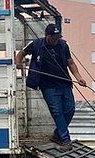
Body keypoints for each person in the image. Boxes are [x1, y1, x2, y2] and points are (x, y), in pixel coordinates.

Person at [14, 23, 87, 151]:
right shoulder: (36, 44)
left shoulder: (63, 45)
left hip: (64, 83)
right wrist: (18, 63)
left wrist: (79, 77)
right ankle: (65, 139)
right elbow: (21, 53)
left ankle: (57, 134)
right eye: (54, 37)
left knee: (70, 110)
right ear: (47, 36)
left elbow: (71, 63)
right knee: (57, 112)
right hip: (48, 86)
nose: (56, 39)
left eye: (58, 37)